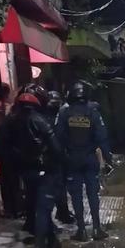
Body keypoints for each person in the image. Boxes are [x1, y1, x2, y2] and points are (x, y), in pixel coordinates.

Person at [2, 84, 65, 248]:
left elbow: (2, 145)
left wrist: (12, 166)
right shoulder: (40, 120)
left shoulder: (10, 121)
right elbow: (55, 148)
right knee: (43, 208)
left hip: (25, 171)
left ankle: (51, 239)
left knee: (35, 203)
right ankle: (40, 245)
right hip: (44, 170)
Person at [56, 81, 114, 241]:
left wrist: (60, 160)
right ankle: (96, 228)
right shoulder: (93, 112)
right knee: (93, 194)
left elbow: (58, 138)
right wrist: (109, 159)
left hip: (72, 160)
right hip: (90, 159)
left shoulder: (64, 113)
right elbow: (102, 137)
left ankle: (81, 230)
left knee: (76, 196)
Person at [0, 83, 23, 220]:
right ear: (5, 94)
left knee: (4, 173)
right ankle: (13, 206)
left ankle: (9, 206)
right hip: (3, 142)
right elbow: (5, 128)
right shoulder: (2, 108)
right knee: (11, 174)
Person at [44, 90, 77, 225]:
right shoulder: (45, 118)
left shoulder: (61, 116)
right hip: (51, 157)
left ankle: (62, 212)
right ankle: (61, 213)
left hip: (59, 156)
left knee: (61, 186)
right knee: (57, 187)